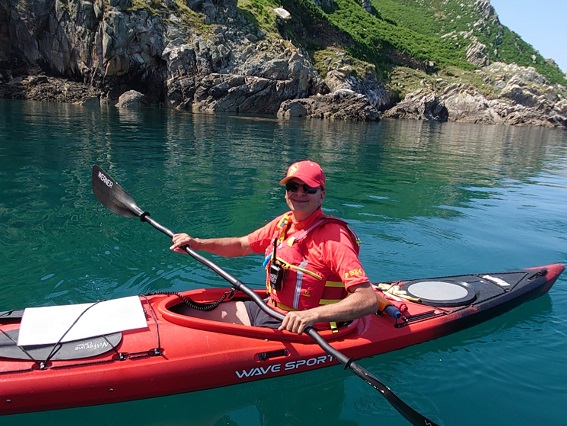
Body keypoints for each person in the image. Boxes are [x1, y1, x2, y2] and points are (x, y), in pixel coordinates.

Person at [170, 160, 378, 334]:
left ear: (321, 195)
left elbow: (367, 300)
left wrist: (311, 315)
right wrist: (197, 243)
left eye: (308, 188)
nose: (299, 193)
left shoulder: (335, 239)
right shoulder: (284, 223)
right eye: (292, 187)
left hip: (307, 328)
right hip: (269, 309)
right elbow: (242, 246)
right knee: (187, 313)